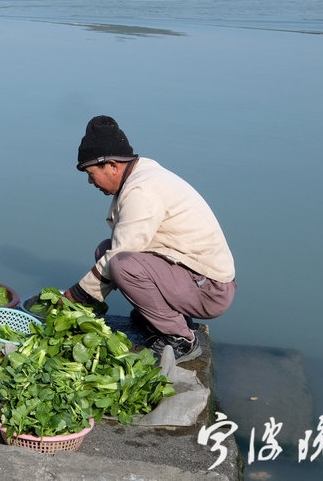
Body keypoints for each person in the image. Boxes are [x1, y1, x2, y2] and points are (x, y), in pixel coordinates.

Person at [66, 115, 235, 363]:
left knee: (121, 264)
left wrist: (77, 295)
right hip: (192, 276)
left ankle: (180, 338)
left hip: (209, 290)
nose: (90, 182)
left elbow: (121, 254)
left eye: (91, 174)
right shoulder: (140, 174)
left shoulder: (142, 190)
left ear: (112, 165)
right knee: (106, 250)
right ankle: (162, 318)